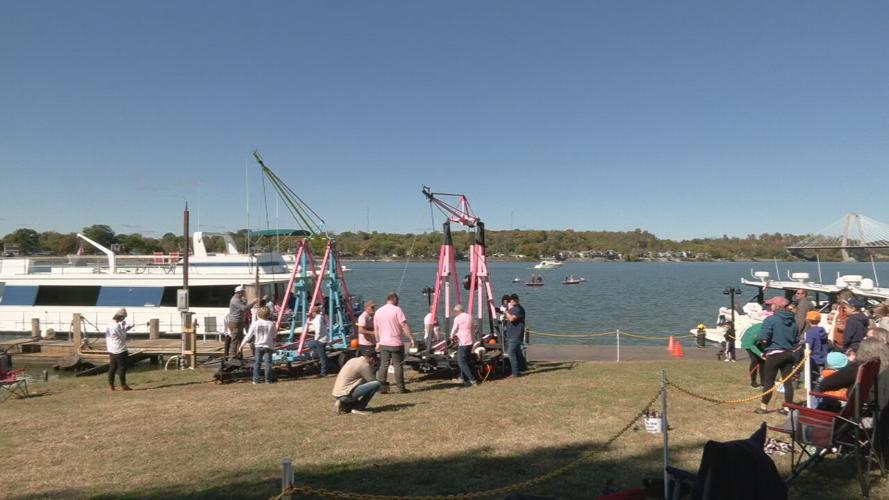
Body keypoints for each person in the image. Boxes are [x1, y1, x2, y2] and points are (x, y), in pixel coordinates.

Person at [755, 296, 799, 415]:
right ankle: (787, 408)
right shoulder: (793, 321)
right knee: (788, 383)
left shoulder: (771, 319)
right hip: (789, 354)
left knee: (769, 381)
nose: (770, 306)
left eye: (772, 304)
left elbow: (763, 337)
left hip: (774, 354)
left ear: (777, 306)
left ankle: (763, 407)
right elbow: (796, 340)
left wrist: (761, 342)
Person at [374, 292, 416, 393]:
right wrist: (411, 338)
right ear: (395, 299)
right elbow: (404, 325)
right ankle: (401, 388)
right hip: (396, 343)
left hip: (383, 343)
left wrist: (378, 341)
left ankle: (382, 388)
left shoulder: (378, 311)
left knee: (384, 365)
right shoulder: (397, 310)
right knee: (398, 365)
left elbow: (376, 329)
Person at [332, 350, 381, 416]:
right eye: (375, 360)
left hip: (338, 392)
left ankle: (342, 403)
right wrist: (373, 369)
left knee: (350, 406)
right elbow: (372, 381)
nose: (375, 362)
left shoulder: (353, 360)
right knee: (376, 384)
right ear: (371, 359)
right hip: (346, 394)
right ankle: (358, 408)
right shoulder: (364, 365)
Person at [239, 306, 276, 384]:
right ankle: (268, 380)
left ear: (258, 314)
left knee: (257, 363)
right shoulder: (271, 324)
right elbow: (274, 335)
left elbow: (248, 335)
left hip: (258, 346)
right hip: (268, 345)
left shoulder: (255, 324)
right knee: (268, 364)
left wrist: (241, 345)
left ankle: (255, 380)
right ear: (268, 314)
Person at [227, 285, 259, 360]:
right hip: (235, 322)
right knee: (235, 339)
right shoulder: (235, 300)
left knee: (240, 339)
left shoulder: (238, 299)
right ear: (240, 292)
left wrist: (245, 301)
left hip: (239, 321)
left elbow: (244, 306)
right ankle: (232, 356)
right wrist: (253, 302)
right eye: (244, 292)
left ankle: (239, 355)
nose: (245, 293)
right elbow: (244, 308)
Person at [106, 308, 133, 391]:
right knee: (122, 368)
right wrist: (124, 327)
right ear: (121, 317)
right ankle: (123, 385)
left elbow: (117, 333)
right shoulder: (116, 326)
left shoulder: (109, 324)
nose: (124, 319)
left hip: (111, 349)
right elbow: (123, 337)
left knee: (112, 367)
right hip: (120, 349)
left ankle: (111, 385)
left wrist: (124, 328)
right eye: (124, 317)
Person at [451, 304, 477, 386]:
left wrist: (451, 336)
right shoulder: (470, 316)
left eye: (454, 312)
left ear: (457, 311)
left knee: (461, 361)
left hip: (463, 342)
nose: (454, 313)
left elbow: (454, 329)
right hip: (470, 342)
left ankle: (472, 379)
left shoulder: (457, 318)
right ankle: (462, 378)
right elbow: (474, 327)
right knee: (466, 360)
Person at [504, 293, 527, 377]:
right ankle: (522, 368)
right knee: (517, 353)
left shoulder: (519, 309)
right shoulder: (512, 309)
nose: (512, 301)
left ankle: (515, 373)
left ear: (517, 300)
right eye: (511, 300)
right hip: (510, 334)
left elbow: (511, 319)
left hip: (516, 335)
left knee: (511, 353)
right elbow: (507, 318)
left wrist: (505, 312)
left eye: (514, 299)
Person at [803, 311, 828, 382]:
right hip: (823, 357)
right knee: (822, 377)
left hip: (814, 359)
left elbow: (809, 346)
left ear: (808, 320)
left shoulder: (810, 332)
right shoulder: (822, 330)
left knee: (814, 379)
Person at [306, 305, 330, 376]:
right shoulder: (319, 317)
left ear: (314, 312)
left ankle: (323, 372)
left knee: (322, 357)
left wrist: (316, 338)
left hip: (320, 339)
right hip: (323, 338)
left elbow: (318, 330)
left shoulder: (318, 319)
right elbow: (313, 322)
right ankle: (319, 354)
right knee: (310, 344)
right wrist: (309, 321)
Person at [740, 323, 765, 388]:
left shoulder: (770, 328)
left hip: (759, 342)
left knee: (763, 362)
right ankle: (753, 382)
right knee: (755, 361)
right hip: (749, 343)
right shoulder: (755, 333)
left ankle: (764, 382)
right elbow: (751, 345)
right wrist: (760, 354)